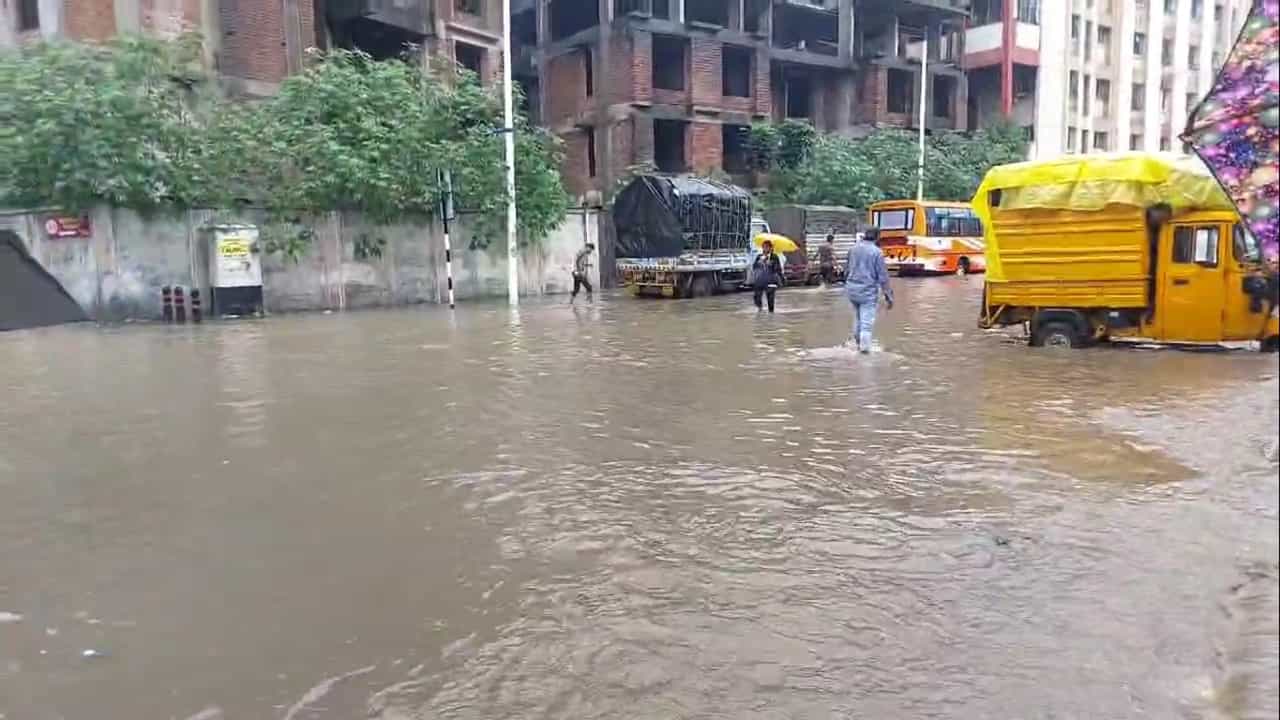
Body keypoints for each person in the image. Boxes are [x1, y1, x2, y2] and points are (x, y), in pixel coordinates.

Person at [844, 227, 893, 353]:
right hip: (867, 291)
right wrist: (888, 295)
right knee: (866, 323)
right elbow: (883, 276)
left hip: (851, 289)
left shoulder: (853, 249)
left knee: (857, 318)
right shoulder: (877, 252)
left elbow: (846, 269)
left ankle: (858, 344)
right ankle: (864, 352)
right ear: (877, 237)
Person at [752, 240, 784, 313]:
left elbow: (778, 269)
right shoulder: (759, 257)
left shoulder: (774, 257)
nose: (765, 249)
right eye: (764, 247)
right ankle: (760, 310)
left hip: (771, 281)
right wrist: (759, 263)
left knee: (770, 300)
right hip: (760, 280)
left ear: (770, 248)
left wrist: (771, 264)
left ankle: (771, 313)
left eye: (767, 247)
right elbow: (754, 267)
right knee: (757, 297)